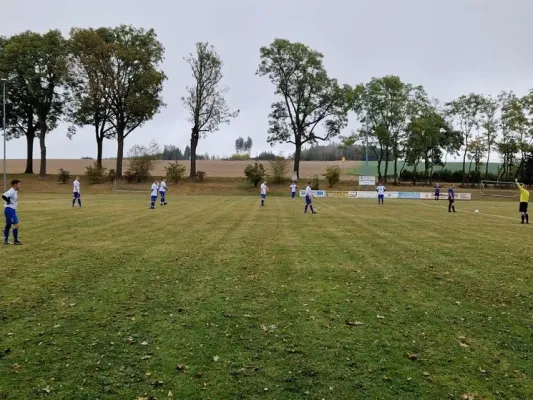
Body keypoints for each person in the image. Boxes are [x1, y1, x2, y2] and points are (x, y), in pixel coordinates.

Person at [3, 179, 22, 245]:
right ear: (15, 185)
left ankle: (6, 241)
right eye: (19, 184)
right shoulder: (11, 191)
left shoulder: (14, 191)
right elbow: (4, 196)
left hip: (11, 210)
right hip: (9, 210)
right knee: (16, 224)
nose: (20, 186)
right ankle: (16, 241)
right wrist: (8, 201)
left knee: (8, 225)